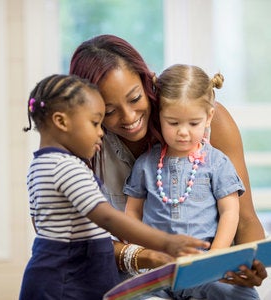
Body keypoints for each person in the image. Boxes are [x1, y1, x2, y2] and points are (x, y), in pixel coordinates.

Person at [69, 34, 267, 285]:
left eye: (134, 98)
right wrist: (145, 257)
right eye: (109, 111)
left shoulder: (207, 124)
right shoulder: (83, 145)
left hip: (210, 277)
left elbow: (245, 218)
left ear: (148, 83)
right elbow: (71, 237)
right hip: (136, 278)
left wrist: (247, 266)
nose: (129, 117)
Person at [19, 74, 209, 300]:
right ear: (62, 121)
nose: (101, 132)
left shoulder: (40, 164)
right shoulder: (66, 167)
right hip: (68, 281)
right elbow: (108, 218)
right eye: (95, 122)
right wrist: (166, 242)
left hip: (54, 275)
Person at [124, 64, 260, 299]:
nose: (183, 132)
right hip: (158, 272)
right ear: (159, 116)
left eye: (193, 123)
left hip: (203, 270)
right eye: (173, 123)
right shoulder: (146, 165)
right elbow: (132, 214)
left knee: (243, 296)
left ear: (209, 117)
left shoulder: (217, 163)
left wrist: (215, 258)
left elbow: (230, 212)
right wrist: (143, 253)